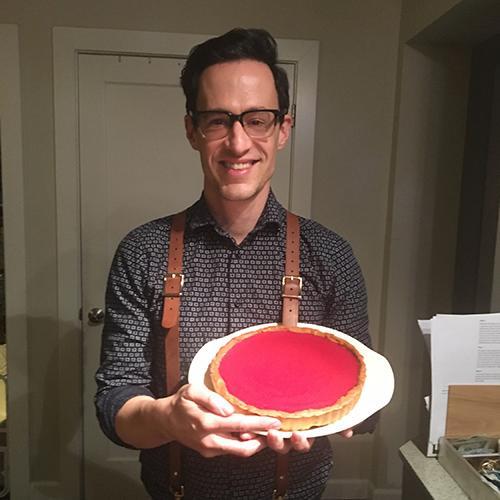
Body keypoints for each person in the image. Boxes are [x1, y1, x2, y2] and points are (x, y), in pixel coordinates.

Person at [95, 27, 374, 499]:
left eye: (258, 119)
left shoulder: (332, 256)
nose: (238, 142)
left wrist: (353, 415)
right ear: (192, 130)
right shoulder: (142, 252)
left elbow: (364, 388)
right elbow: (113, 404)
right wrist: (168, 418)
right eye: (218, 120)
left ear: (283, 129)